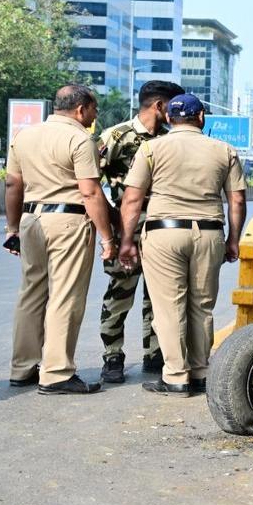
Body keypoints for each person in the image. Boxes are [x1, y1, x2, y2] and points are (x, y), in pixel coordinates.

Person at [118, 94, 246, 397]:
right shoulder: (224, 150)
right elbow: (237, 199)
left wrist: (126, 241)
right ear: (201, 117)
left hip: (164, 234)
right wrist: (233, 241)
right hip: (209, 233)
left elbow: (133, 199)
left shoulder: (151, 148)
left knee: (169, 307)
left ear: (169, 118)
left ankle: (175, 376)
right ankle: (201, 372)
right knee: (202, 306)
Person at [5, 84, 116, 395]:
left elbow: (13, 184)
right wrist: (107, 238)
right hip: (68, 220)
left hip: (30, 220)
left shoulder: (23, 136)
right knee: (65, 295)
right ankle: (56, 373)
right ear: (81, 109)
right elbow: (90, 192)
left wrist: (11, 228)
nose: (94, 117)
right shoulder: (80, 139)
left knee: (31, 293)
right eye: (94, 111)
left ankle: (22, 367)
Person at [95, 80, 184, 383]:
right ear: (160, 106)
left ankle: (155, 354)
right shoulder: (117, 136)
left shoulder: (172, 140)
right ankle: (113, 357)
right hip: (126, 230)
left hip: (162, 231)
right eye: (172, 106)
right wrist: (111, 221)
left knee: (158, 298)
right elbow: (90, 182)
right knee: (120, 294)